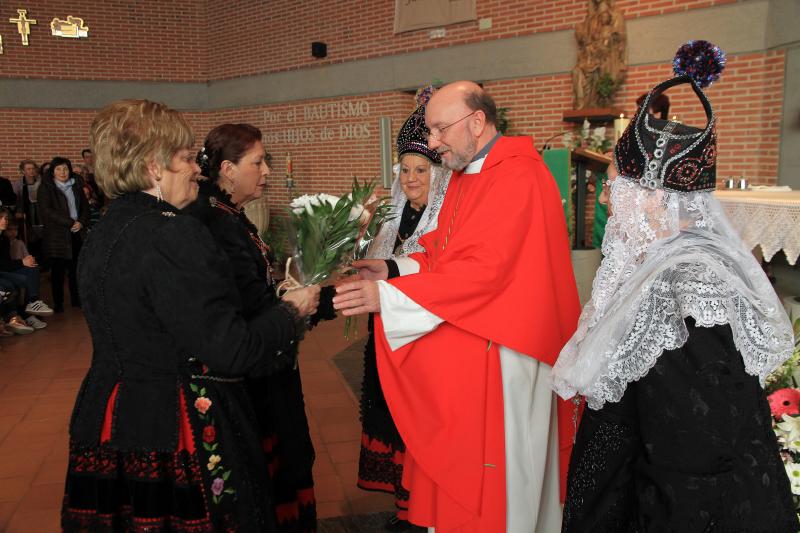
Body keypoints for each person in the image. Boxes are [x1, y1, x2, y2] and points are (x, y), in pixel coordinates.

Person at [552, 58, 799, 532]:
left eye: (613, 189)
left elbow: (692, 461)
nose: (606, 202)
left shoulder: (686, 291)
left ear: (654, 199)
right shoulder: (657, 268)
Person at [61, 99, 321, 532]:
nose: (197, 168)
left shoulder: (104, 227)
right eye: (184, 158)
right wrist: (289, 311)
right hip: (175, 424)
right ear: (152, 167)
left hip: (108, 417)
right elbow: (232, 351)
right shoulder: (176, 231)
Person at [333, 81, 581, 532]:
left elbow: (486, 271)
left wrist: (388, 298)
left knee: (505, 482)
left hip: (511, 350)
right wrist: (391, 269)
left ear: (478, 122)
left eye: (439, 129)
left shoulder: (518, 175)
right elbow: (445, 252)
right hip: (483, 336)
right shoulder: (473, 175)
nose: (432, 143)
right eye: (430, 131)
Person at [187, 123, 326, 532]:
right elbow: (245, 307)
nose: (266, 171)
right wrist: (298, 306)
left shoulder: (226, 214)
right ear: (228, 169)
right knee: (275, 462)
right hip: (254, 372)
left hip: (263, 356)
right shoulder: (215, 221)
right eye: (258, 162)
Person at [355, 90, 451, 532]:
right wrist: (359, 232)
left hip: (422, 341)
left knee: (418, 424)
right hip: (384, 336)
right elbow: (361, 270)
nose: (413, 179)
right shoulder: (390, 220)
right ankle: (402, 507)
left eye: (422, 170)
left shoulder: (444, 220)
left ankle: (423, 510)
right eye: (406, 170)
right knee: (391, 421)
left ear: (439, 175)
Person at [38, 157, 89, 312]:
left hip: (76, 233)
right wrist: (69, 222)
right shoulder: (46, 188)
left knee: (76, 270)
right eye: (59, 169)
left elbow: (85, 207)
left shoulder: (77, 185)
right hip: (57, 236)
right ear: (53, 172)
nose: (63, 172)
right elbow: (46, 211)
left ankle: (76, 300)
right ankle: (58, 303)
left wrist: (81, 222)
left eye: (66, 169)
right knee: (58, 272)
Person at [0, 208, 52, 329]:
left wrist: (26, 262)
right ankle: (19, 317)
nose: (5, 221)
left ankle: (33, 303)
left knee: (33, 268)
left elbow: (7, 264)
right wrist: (22, 262)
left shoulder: (4, 239)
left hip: (6, 270)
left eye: (6, 218)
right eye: (1, 218)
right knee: (15, 282)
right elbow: (3, 265)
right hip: (2, 273)